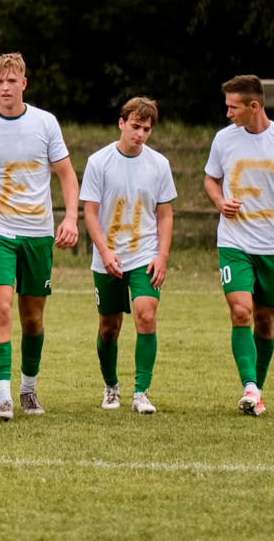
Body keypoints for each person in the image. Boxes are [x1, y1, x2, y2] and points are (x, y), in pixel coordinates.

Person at [0, 52, 80, 420]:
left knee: (32, 318)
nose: (5, 87)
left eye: (11, 81)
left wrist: (71, 218)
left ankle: (29, 389)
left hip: (38, 234)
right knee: (0, 308)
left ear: (23, 84)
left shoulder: (45, 124)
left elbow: (66, 174)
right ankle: (3, 396)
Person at [202, 74, 274, 416]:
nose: (228, 114)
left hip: (271, 246)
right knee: (241, 312)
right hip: (234, 242)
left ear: (254, 106)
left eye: (233, 107)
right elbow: (210, 178)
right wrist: (220, 202)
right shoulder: (224, 140)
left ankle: (255, 393)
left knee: (265, 321)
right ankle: (249, 386)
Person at [81, 97, 176, 415]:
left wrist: (162, 255)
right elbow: (90, 213)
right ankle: (111, 387)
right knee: (109, 327)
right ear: (121, 123)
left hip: (145, 254)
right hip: (108, 257)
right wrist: (105, 251)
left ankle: (141, 393)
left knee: (146, 315)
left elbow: (165, 214)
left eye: (146, 129)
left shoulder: (159, 165)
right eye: (135, 126)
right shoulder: (99, 162)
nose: (140, 134)